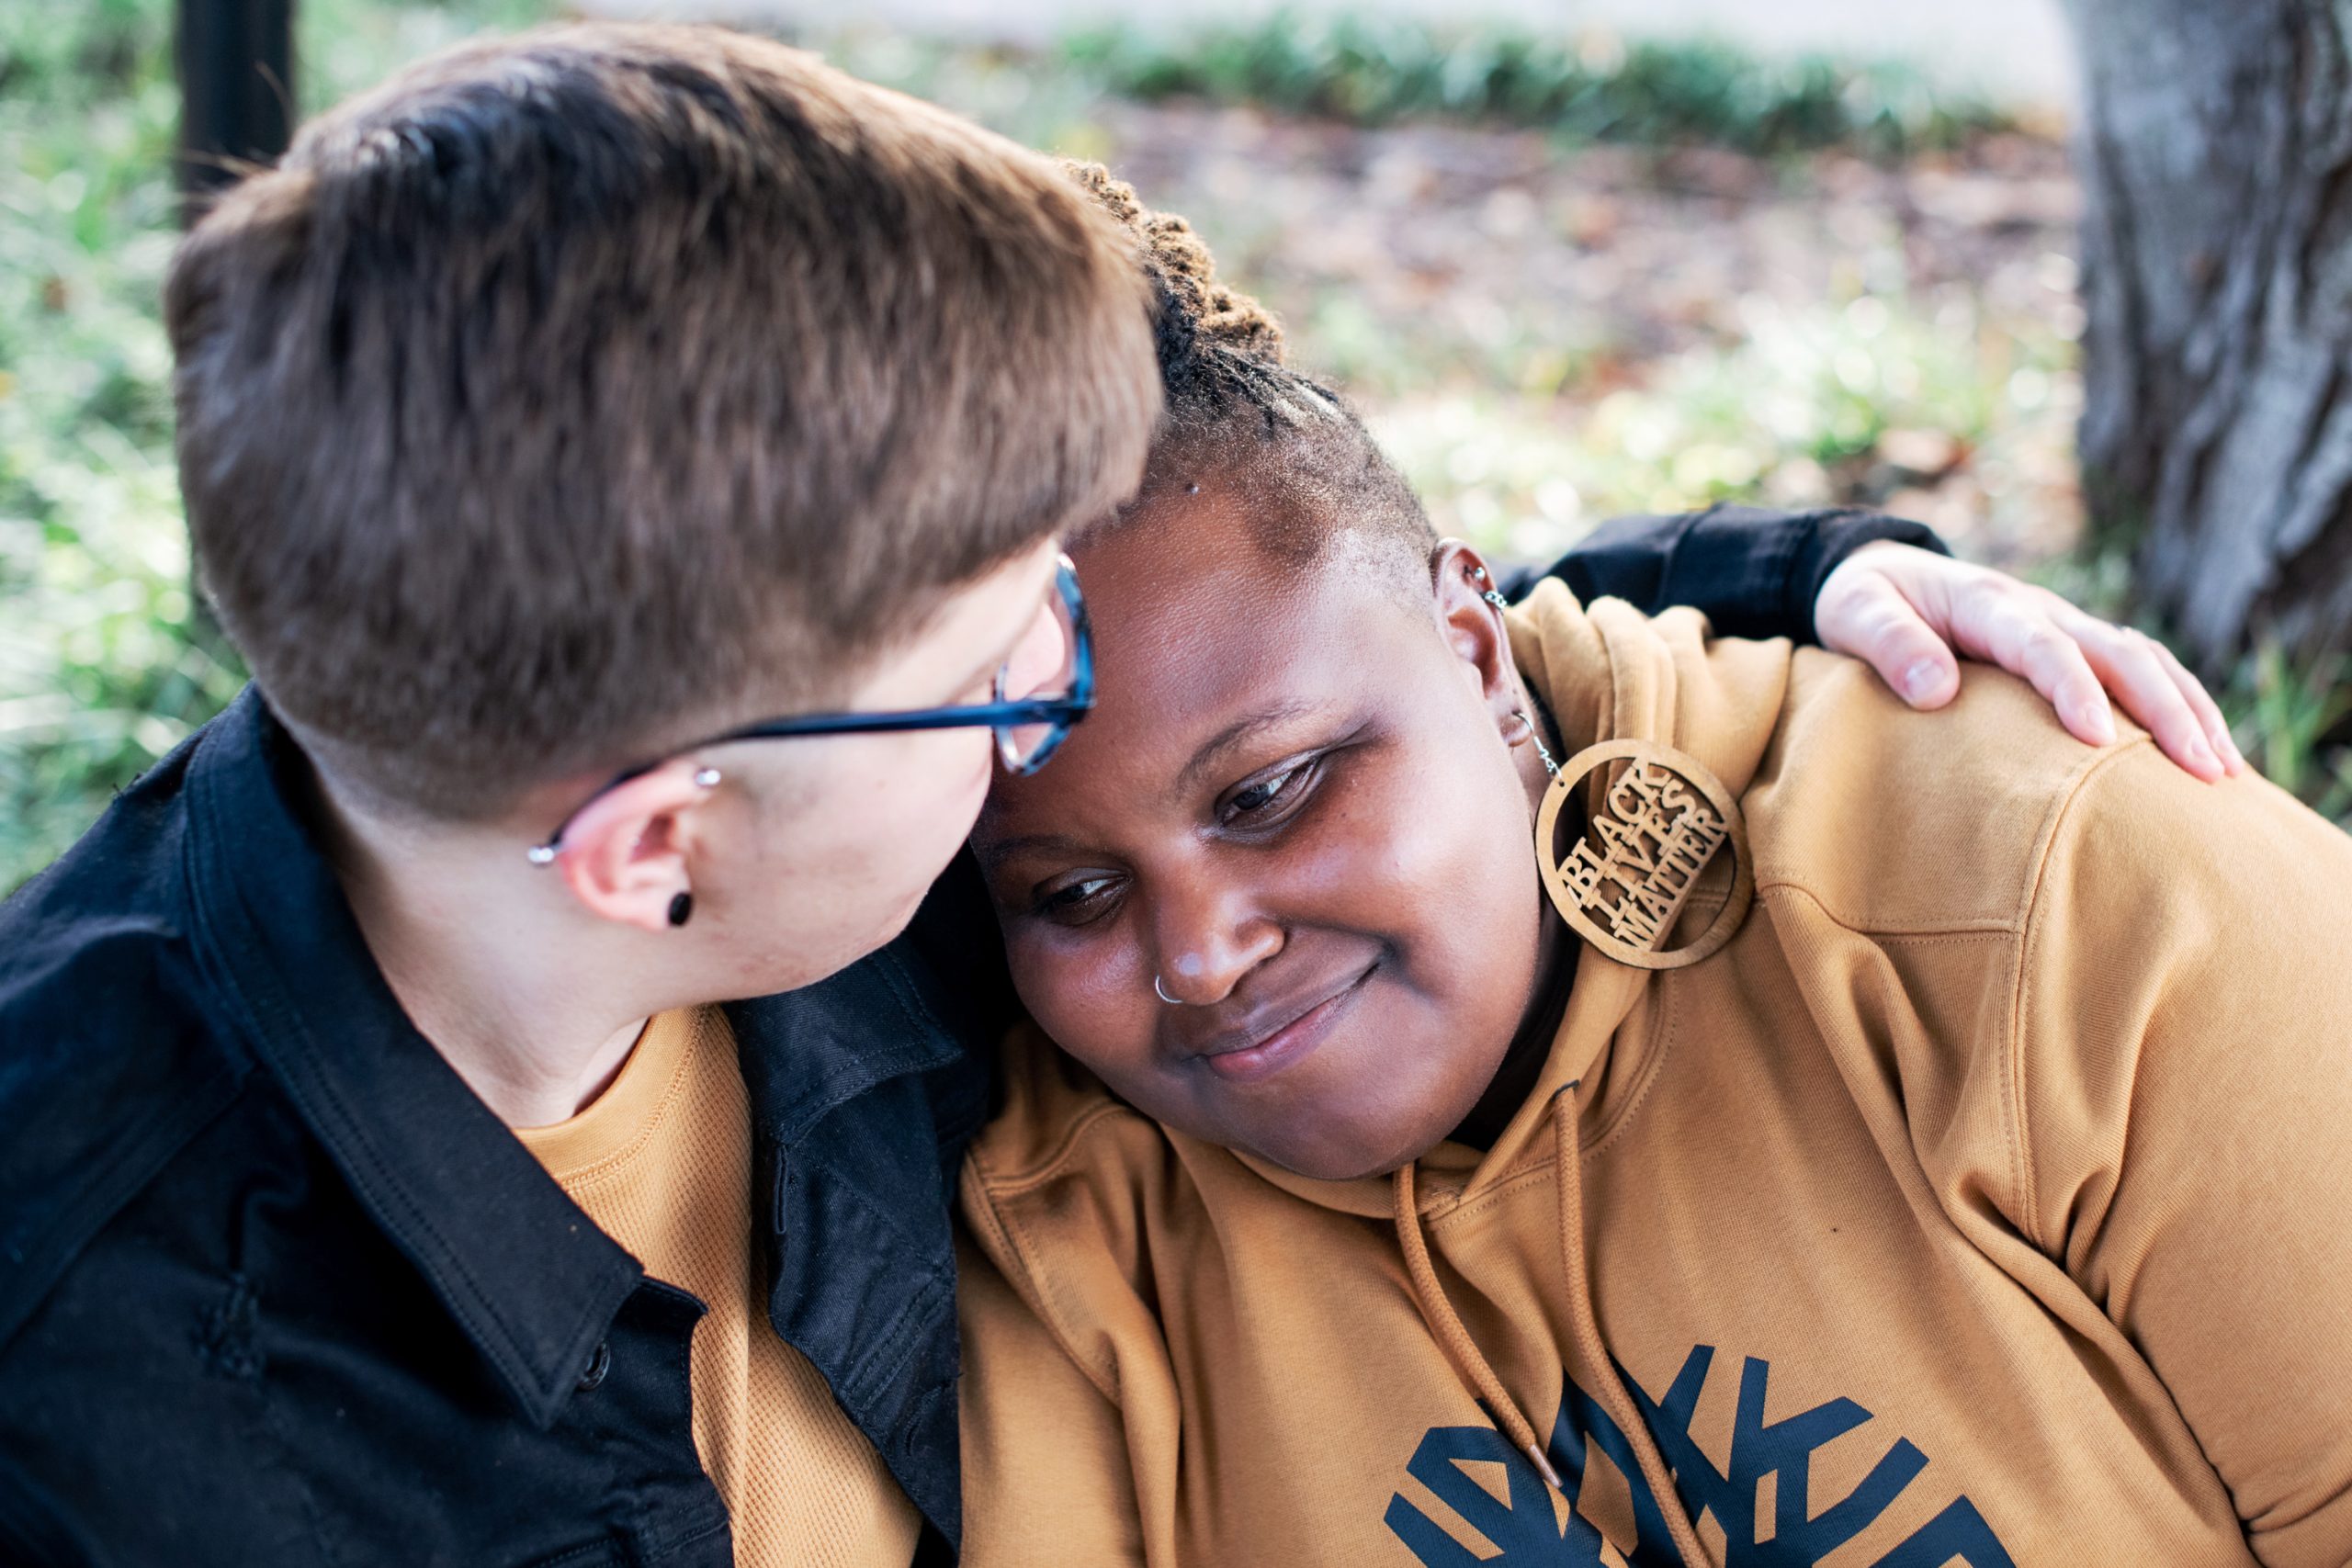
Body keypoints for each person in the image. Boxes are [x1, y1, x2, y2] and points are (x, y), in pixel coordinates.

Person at [0, 27, 2233, 1567]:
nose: (1049, 723)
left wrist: (1803, 572)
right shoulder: (123, 1406)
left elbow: (1290, 630)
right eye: (996, 670)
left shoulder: (747, 810)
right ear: (652, 846)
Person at [954, 175, 2352, 1568]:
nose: (1198, 955)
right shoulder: (1063, 1231)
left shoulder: (2056, 895)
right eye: (1071, 894)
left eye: (1268, 794)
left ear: (1477, 649)